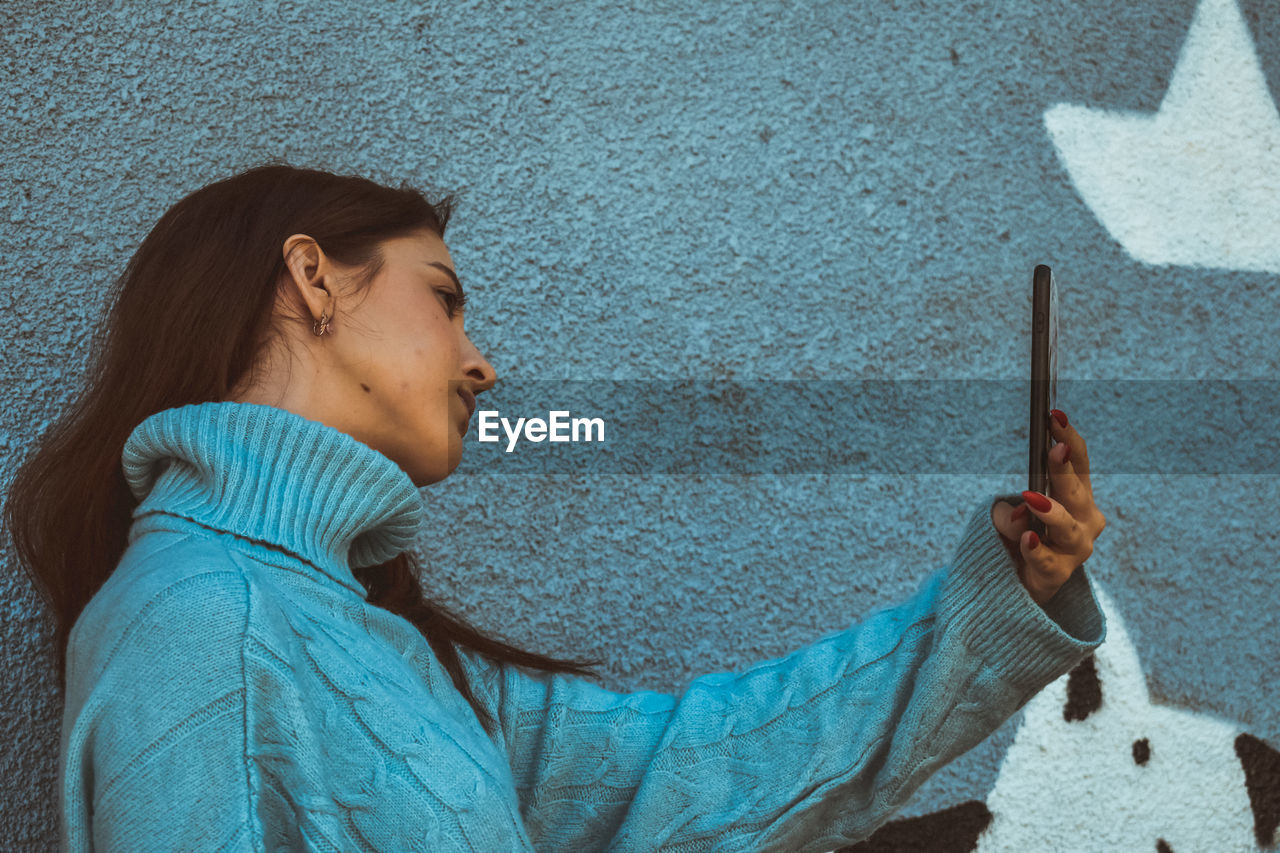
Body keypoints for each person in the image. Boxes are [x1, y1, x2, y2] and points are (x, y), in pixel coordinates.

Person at [6, 162, 1107, 851]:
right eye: (443, 299)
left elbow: (701, 767)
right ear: (314, 280)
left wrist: (998, 597)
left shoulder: (391, 648)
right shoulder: (200, 631)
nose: (481, 365)